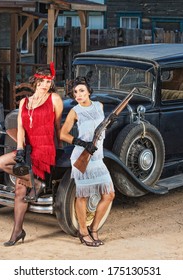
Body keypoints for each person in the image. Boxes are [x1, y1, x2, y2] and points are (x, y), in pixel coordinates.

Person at [0, 63, 63, 246]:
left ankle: (17, 231)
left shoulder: (54, 99)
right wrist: (19, 150)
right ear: (35, 81)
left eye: (48, 82)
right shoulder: (24, 102)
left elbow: (57, 125)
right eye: (42, 81)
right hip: (28, 148)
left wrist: (60, 146)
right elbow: (21, 130)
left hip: (45, 148)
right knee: (1, 162)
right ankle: (36, 183)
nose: (45, 85)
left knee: (19, 190)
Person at [60, 75, 115, 247]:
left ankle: (94, 229)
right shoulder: (75, 111)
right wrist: (81, 143)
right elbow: (62, 134)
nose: (78, 94)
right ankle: (83, 232)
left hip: (97, 157)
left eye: (82, 91)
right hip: (81, 155)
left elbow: (100, 129)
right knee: (82, 196)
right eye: (76, 92)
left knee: (109, 194)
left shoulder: (100, 106)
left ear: (89, 91)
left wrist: (110, 123)